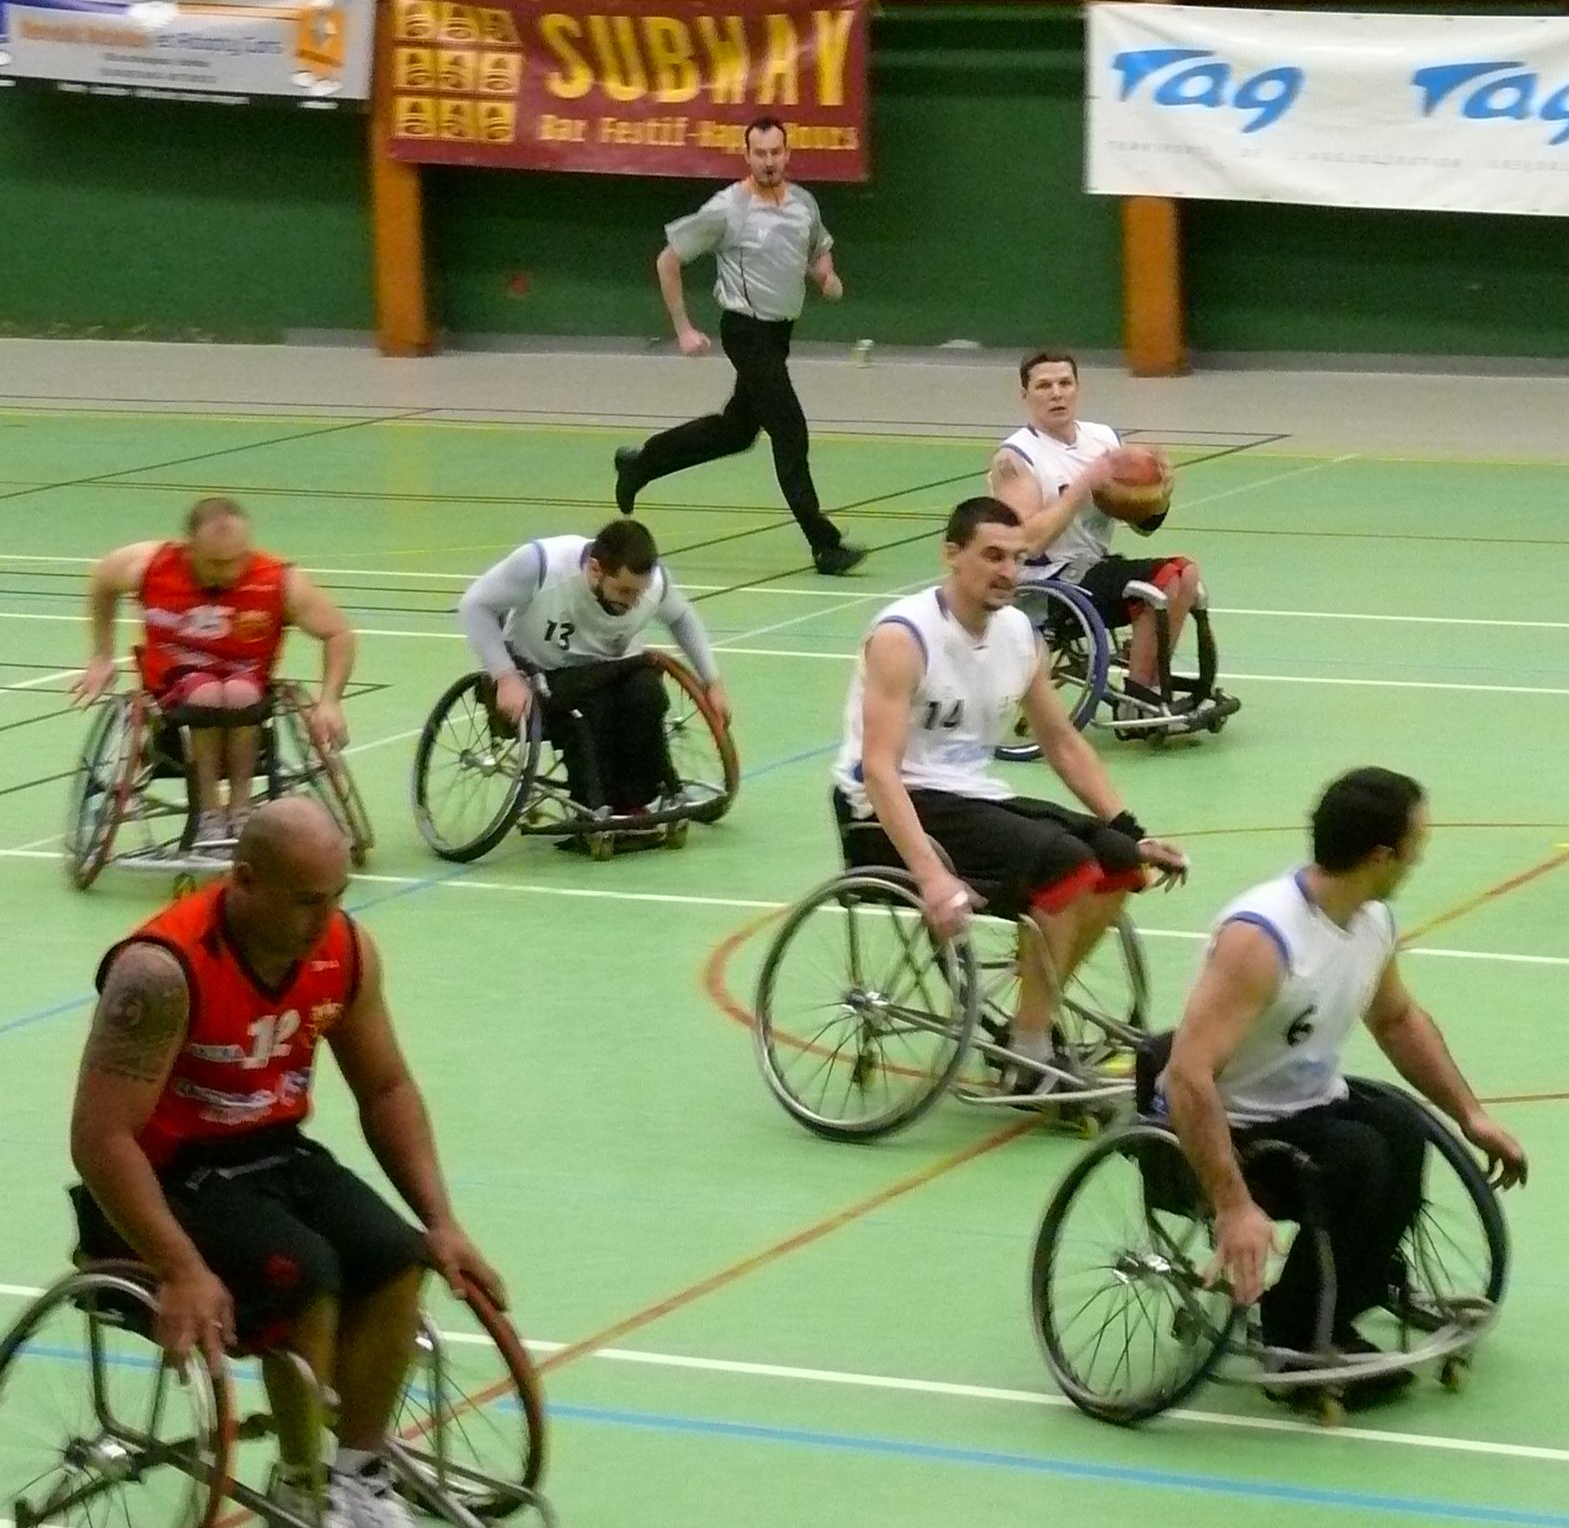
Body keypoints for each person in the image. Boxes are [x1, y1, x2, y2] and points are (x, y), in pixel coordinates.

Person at [66, 798, 506, 1528]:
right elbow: (101, 1140)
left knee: (394, 1255)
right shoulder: (161, 971)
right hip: (164, 1179)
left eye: (337, 895)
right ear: (244, 881)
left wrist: (442, 1221)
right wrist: (181, 1267)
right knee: (305, 1271)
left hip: (273, 1155)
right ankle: (302, 1497)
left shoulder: (343, 950)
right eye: (308, 899)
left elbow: (387, 1086)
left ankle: (359, 1477)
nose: (325, 918)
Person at [1160, 767, 1527, 1411]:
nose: (1422, 852)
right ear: (1381, 855)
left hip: (1304, 1105)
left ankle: (1343, 1297)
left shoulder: (1371, 920)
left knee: (1403, 1134)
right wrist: (1233, 1204)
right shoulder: (1262, 938)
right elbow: (1187, 1076)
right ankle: (1292, 1334)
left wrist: (1470, 1115)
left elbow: (1396, 1020)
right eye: (1418, 840)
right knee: (1359, 1157)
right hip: (1234, 1122)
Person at [833, 495, 1188, 1085]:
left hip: (969, 794)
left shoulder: (1019, 633)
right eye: (992, 556)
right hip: (885, 806)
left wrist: (1132, 830)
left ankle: (1030, 1024)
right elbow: (879, 771)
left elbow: (1063, 742)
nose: (1007, 571)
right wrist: (932, 877)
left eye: (1017, 559)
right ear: (952, 555)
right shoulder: (904, 637)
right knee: (1066, 867)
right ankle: (1029, 1052)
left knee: (1118, 860)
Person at [614, 114, 865, 578]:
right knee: (790, 430)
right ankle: (824, 545)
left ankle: (640, 463)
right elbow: (667, 260)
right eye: (760, 154)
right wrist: (684, 329)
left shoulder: (803, 203)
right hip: (745, 331)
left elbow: (817, 249)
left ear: (787, 154)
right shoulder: (726, 209)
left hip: (778, 334)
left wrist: (826, 275)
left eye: (776, 153)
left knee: (736, 431)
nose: (769, 162)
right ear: (747, 156)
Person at [72, 498, 355, 851]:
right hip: (173, 688)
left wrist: (330, 701)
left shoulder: (277, 580)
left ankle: (239, 807)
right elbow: (102, 580)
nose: (230, 572)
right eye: (217, 563)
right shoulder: (150, 566)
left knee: (238, 692)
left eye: (239, 559)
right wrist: (101, 655)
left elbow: (338, 633)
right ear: (189, 549)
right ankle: (207, 810)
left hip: (246, 688)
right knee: (205, 692)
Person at [456, 518, 729, 848]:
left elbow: (682, 618)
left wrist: (712, 681)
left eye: (639, 594)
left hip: (611, 669)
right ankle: (591, 805)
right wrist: (505, 676)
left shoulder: (653, 584)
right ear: (596, 570)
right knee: (589, 706)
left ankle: (634, 803)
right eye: (624, 591)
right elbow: (475, 605)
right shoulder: (541, 565)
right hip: (542, 671)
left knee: (647, 692)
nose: (632, 602)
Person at [988, 349, 1202, 704]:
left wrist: (1159, 492)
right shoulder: (1015, 457)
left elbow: (1143, 526)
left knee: (1186, 574)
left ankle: (1145, 680)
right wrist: (1085, 482)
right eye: (1043, 386)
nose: (1056, 393)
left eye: (1064, 383)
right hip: (1046, 581)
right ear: (1025, 395)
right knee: (1164, 579)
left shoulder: (1103, 440)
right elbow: (1028, 542)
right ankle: (1139, 696)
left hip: (1091, 568)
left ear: (1077, 389)